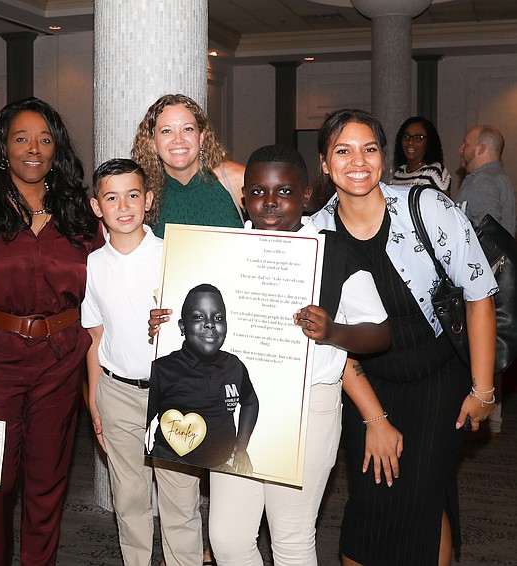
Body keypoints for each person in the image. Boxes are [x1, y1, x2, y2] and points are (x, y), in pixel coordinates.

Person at [309, 109, 497, 566]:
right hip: (364, 386)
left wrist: (484, 390)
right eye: (343, 151)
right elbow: (327, 338)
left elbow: (479, 295)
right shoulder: (314, 234)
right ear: (324, 163)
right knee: (370, 504)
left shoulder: (427, 208)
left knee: (419, 498)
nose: (358, 161)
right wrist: (375, 418)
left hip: (439, 382)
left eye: (369, 149)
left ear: (383, 155)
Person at [207, 144, 390, 566]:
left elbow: (380, 334)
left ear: (306, 196)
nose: (269, 202)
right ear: (243, 199)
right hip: (235, 405)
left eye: (284, 191)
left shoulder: (335, 252)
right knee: (228, 540)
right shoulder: (223, 248)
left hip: (307, 408)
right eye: (257, 192)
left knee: (291, 540)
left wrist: (333, 331)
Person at [0, 97, 102, 565]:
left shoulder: (82, 215)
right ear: (2, 148)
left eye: (45, 138)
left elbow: (111, 285)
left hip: (61, 361)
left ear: (57, 149)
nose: (33, 148)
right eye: (21, 138)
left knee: (47, 482)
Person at [81, 158, 203, 566]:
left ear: (148, 200)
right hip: (117, 392)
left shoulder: (173, 254)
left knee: (180, 498)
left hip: (173, 392)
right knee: (129, 497)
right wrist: (95, 399)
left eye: (133, 195)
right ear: (97, 207)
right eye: (111, 197)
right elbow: (94, 337)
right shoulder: (92, 266)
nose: (123, 205)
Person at [146, 283, 258, 471]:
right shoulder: (162, 369)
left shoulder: (235, 366)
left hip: (222, 460)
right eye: (198, 317)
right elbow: (142, 420)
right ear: (182, 326)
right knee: (180, 502)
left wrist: (241, 447)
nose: (210, 324)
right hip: (172, 460)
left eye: (218, 317)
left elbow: (250, 402)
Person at [454, 124, 515, 441]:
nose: (461, 151)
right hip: (494, 287)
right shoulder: (499, 179)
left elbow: (482, 238)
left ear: (480, 149)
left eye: (465, 145)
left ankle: (478, 411)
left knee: (477, 347)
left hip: (480, 288)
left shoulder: (482, 184)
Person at [131, 94, 246, 237]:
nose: (178, 139)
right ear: (152, 142)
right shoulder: (140, 192)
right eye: (167, 131)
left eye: (188, 129)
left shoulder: (236, 179)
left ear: (201, 136)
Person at [392, 116, 452, 194]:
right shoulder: (398, 174)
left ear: (428, 142)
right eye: (406, 137)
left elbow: (442, 204)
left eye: (417, 138)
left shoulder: (434, 172)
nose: (410, 142)